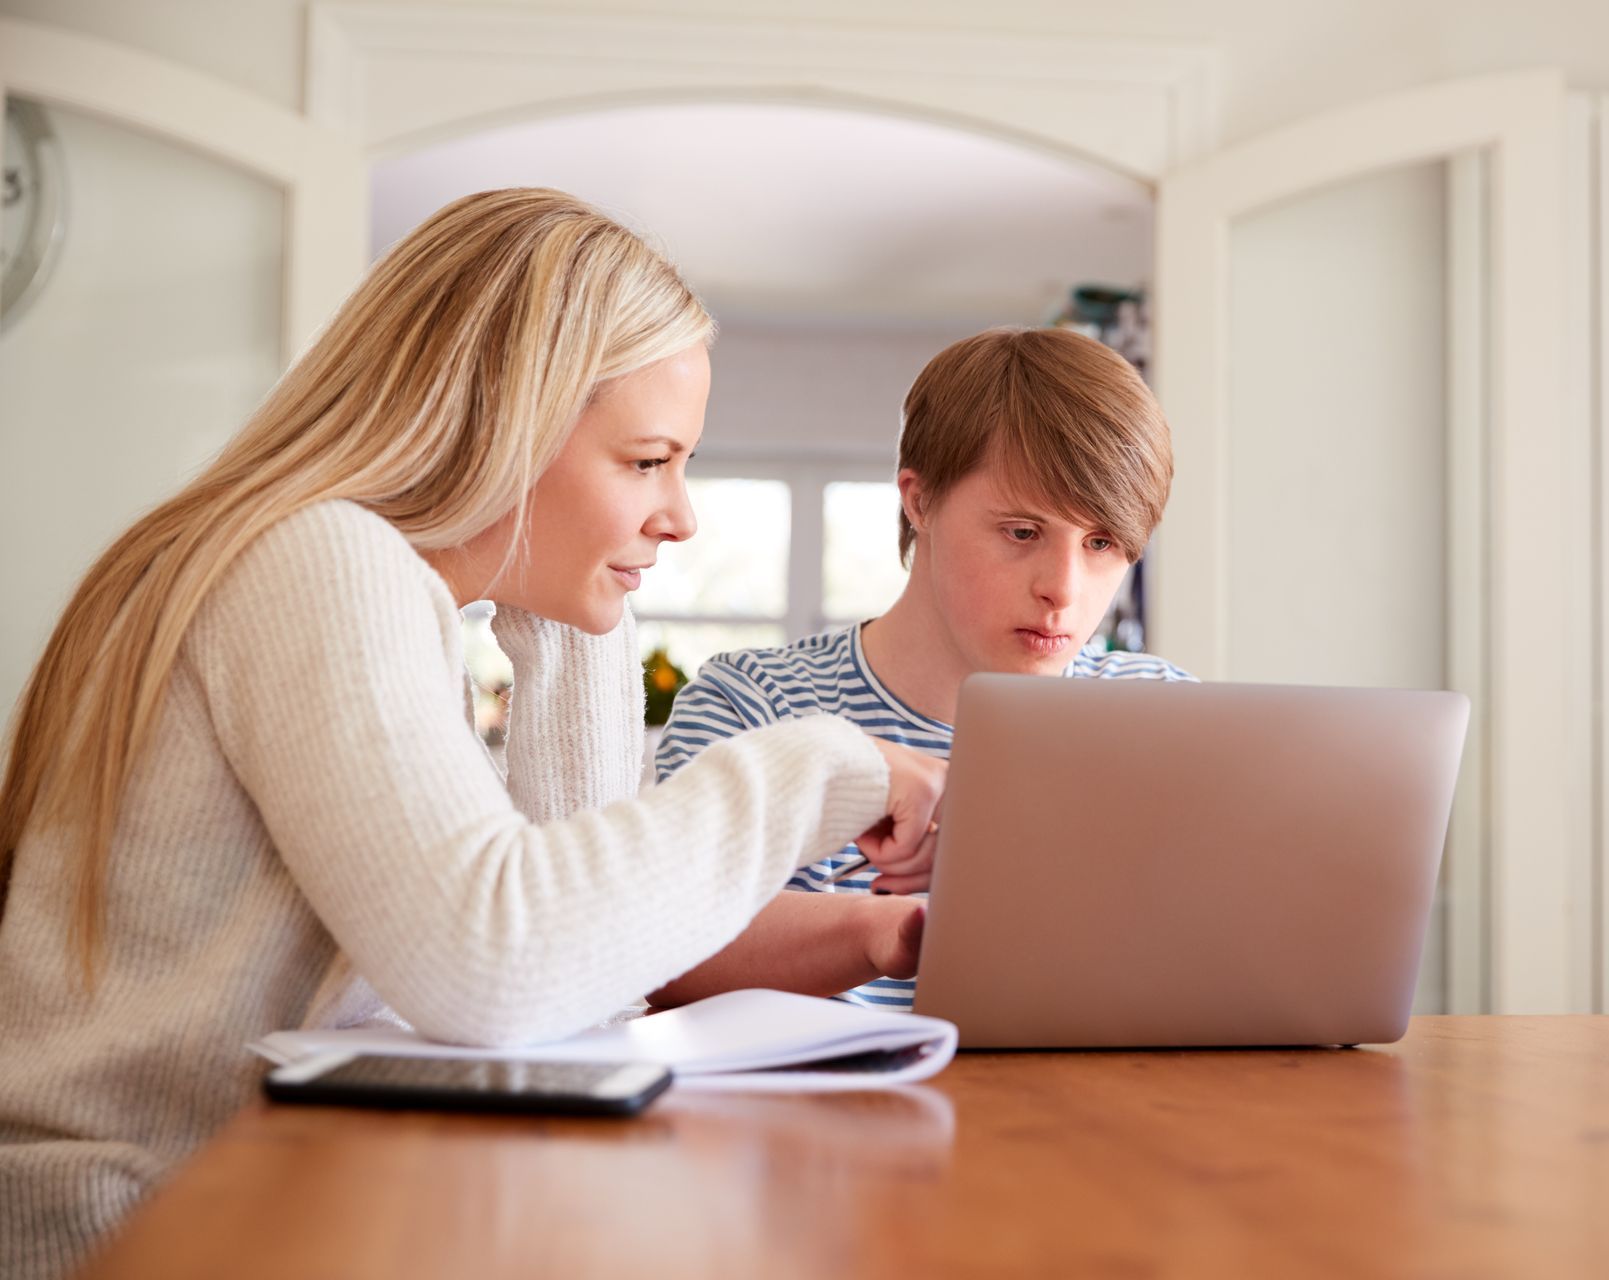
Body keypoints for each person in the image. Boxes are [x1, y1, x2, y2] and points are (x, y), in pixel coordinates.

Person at [0, 188, 945, 1279]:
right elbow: (495, 964)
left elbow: (582, 988)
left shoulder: (359, 573)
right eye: (646, 460)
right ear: (500, 426)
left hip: (241, 1197)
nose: (681, 513)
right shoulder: (317, 557)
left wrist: (582, 606)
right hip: (127, 1231)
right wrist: (821, 763)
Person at [653, 326, 1192, 1010]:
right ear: (919, 499)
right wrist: (912, 928)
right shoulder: (754, 706)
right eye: (1023, 533)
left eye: (1103, 543)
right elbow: (665, 955)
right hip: (832, 1111)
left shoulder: (1166, 716)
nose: (1064, 587)